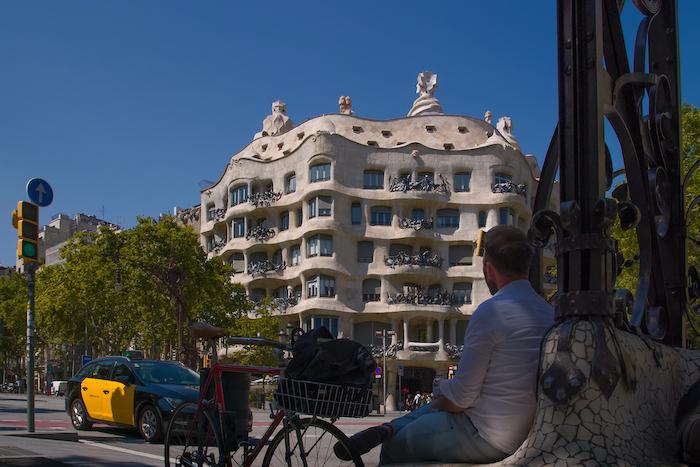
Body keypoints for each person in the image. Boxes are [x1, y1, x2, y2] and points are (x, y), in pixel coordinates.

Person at [335, 226, 554, 464]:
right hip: (523, 430)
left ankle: (388, 433)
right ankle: (386, 428)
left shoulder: (493, 312)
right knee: (433, 407)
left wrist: (441, 393)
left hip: (488, 434)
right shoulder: (548, 312)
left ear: (488, 267)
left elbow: (460, 399)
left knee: (396, 446)